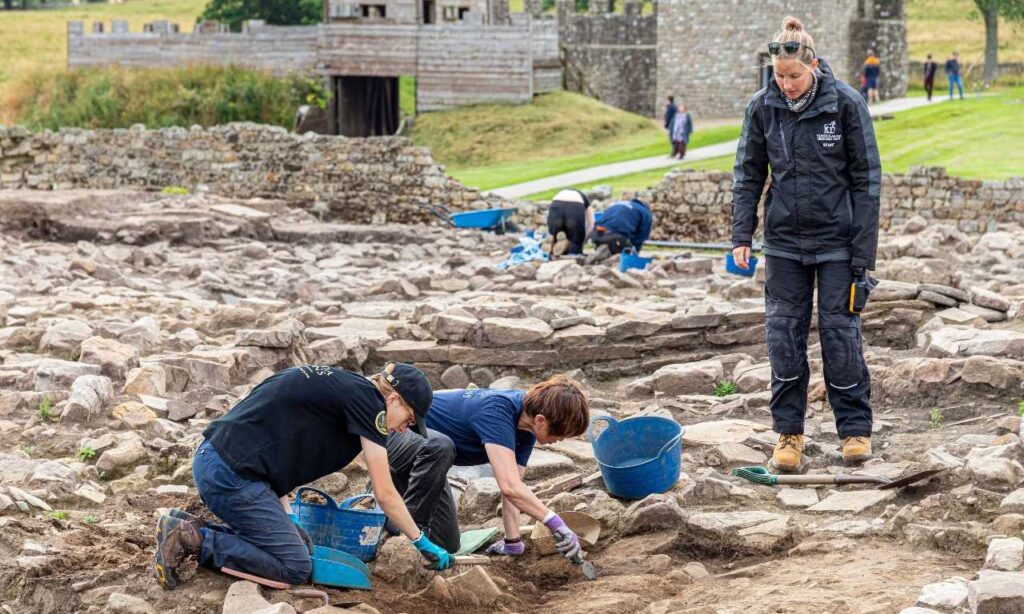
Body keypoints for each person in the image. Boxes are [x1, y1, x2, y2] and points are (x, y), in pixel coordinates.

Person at [730, 16, 881, 472]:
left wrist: (862, 254)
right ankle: (789, 434)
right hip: (783, 244)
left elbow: (867, 181)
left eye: (794, 76)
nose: (787, 84)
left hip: (838, 243)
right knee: (783, 336)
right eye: (779, 76)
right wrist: (742, 234)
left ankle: (854, 431)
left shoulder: (846, 105)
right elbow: (748, 173)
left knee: (840, 335)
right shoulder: (763, 107)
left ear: (812, 65)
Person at [154, 363, 453, 590]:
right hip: (230, 477)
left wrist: (289, 517)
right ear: (395, 400)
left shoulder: (344, 387)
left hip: (220, 462)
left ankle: (184, 524)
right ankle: (192, 539)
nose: (405, 430)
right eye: (410, 420)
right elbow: (385, 493)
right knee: (294, 567)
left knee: (298, 543)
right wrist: (421, 541)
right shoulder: (370, 406)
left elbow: (275, 452)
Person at [385, 376, 590, 559]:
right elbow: (510, 486)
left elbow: (513, 489)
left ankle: (393, 511)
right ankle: (409, 536)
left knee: (448, 544)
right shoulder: (497, 411)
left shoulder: (526, 429)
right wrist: (555, 523)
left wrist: (513, 542)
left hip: (425, 465)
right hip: (395, 434)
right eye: (561, 434)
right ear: (540, 420)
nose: (561, 440)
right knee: (441, 446)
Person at [588, 198, 654, 262]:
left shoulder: (617, 204)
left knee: (602, 256)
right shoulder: (645, 212)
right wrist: (635, 254)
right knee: (623, 256)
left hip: (596, 234)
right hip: (616, 237)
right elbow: (641, 237)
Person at [546, 188, 594, 257]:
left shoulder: (561, 193)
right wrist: (583, 240)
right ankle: (573, 253)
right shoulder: (585, 199)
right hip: (575, 206)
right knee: (575, 239)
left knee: (555, 234)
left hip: (556, 204)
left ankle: (553, 246)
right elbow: (592, 223)